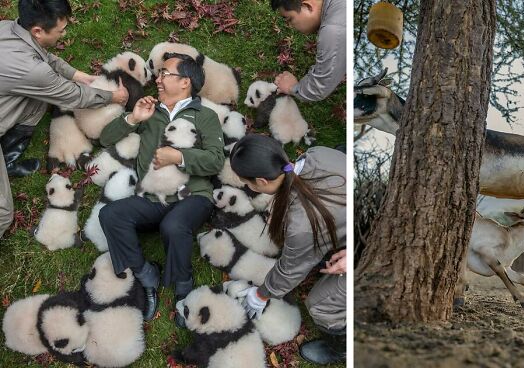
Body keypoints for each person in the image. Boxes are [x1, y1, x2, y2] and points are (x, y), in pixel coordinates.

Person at [98, 53, 224, 328]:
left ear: (185, 82)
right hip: (151, 197)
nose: (158, 78)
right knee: (110, 215)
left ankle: (183, 286)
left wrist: (178, 157)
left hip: (192, 197)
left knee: (174, 225)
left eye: (165, 73)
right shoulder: (149, 110)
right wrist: (133, 117)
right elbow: (105, 139)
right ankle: (146, 275)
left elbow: (216, 160)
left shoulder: (206, 116)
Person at [0, 0, 128, 238]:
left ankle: (8, 158)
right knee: (3, 213)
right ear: (38, 31)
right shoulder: (31, 71)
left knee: (38, 97)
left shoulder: (8, 28)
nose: (65, 33)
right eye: (61, 30)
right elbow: (73, 95)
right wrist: (114, 97)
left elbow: (44, 59)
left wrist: (79, 75)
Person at [230, 134, 346, 364]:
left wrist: (261, 294)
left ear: (262, 181)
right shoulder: (320, 153)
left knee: (320, 305)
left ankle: (343, 348)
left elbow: (291, 269)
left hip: (383, 254)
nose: (247, 187)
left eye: (247, 182)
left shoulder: (301, 224)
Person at [271, 0, 346, 102]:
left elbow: (319, 88)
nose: (290, 25)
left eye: (290, 19)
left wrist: (292, 87)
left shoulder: (332, 31)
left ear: (307, 6)